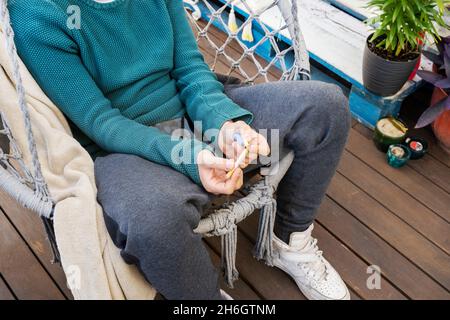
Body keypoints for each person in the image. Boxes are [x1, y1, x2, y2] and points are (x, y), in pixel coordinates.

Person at [10, 0, 351, 300]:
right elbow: (101, 122)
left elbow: (189, 69)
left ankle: (288, 242)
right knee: (151, 222)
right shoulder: (36, 12)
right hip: (127, 150)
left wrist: (225, 125)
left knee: (326, 106)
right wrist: (188, 156)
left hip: (194, 112)